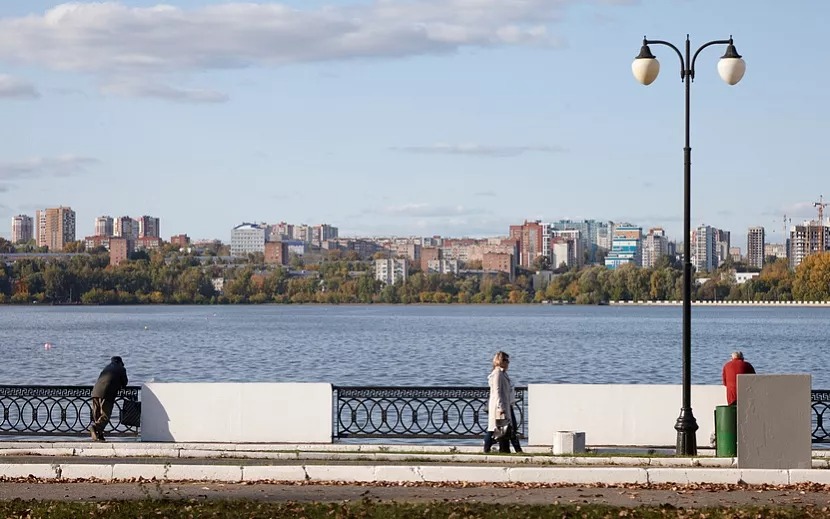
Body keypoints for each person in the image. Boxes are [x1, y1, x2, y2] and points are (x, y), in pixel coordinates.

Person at [484, 351, 522, 453]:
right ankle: (486, 450)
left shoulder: (502, 373)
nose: (508, 363)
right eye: (506, 360)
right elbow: (497, 392)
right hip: (500, 406)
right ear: (501, 361)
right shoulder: (497, 374)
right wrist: (501, 407)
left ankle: (505, 449)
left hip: (506, 404)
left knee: (505, 428)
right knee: (494, 429)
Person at [90, 356, 129, 441]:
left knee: (97, 414)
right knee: (105, 415)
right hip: (107, 393)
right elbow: (125, 382)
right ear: (120, 362)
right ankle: (95, 428)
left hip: (95, 392)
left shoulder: (107, 367)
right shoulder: (121, 368)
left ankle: (99, 435)